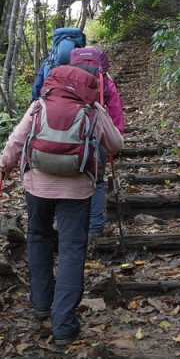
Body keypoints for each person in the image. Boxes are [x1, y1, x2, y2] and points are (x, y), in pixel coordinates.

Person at [0, 63, 123, 345]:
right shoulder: (92, 110)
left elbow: (16, 141)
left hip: (37, 186)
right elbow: (115, 145)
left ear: (52, 82)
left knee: (38, 237)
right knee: (71, 249)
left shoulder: (39, 106)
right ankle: (64, 324)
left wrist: (4, 166)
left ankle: (42, 303)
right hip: (77, 189)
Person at [68, 46, 125, 237]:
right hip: (97, 134)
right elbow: (115, 107)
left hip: (69, 133)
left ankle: (66, 226)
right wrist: (116, 135)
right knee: (97, 181)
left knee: (68, 179)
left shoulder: (66, 78)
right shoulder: (105, 79)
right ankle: (95, 227)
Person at [31, 26, 86, 100]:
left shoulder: (50, 59)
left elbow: (38, 82)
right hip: (78, 99)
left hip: (51, 97)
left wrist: (34, 99)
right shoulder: (84, 58)